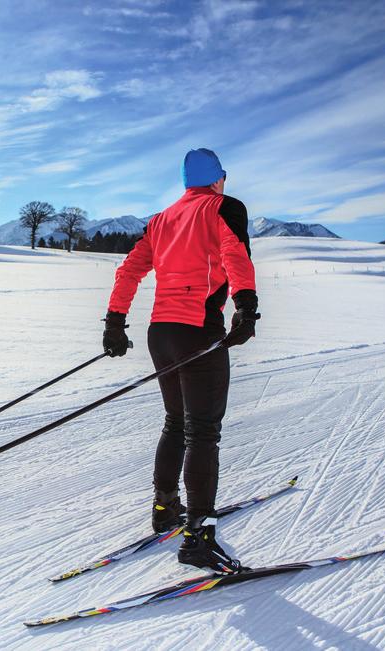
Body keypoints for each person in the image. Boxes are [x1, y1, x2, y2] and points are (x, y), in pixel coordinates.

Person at [102, 148, 259, 573]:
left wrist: (115, 322)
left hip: (161, 334)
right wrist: (246, 306)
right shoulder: (224, 207)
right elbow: (235, 255)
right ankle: (198, 538)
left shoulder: (160, 219)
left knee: (176, 422)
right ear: (217, 179)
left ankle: (166, 508)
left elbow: (130, 270)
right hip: (198, 331)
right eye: (222, 177)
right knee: (203, 432)